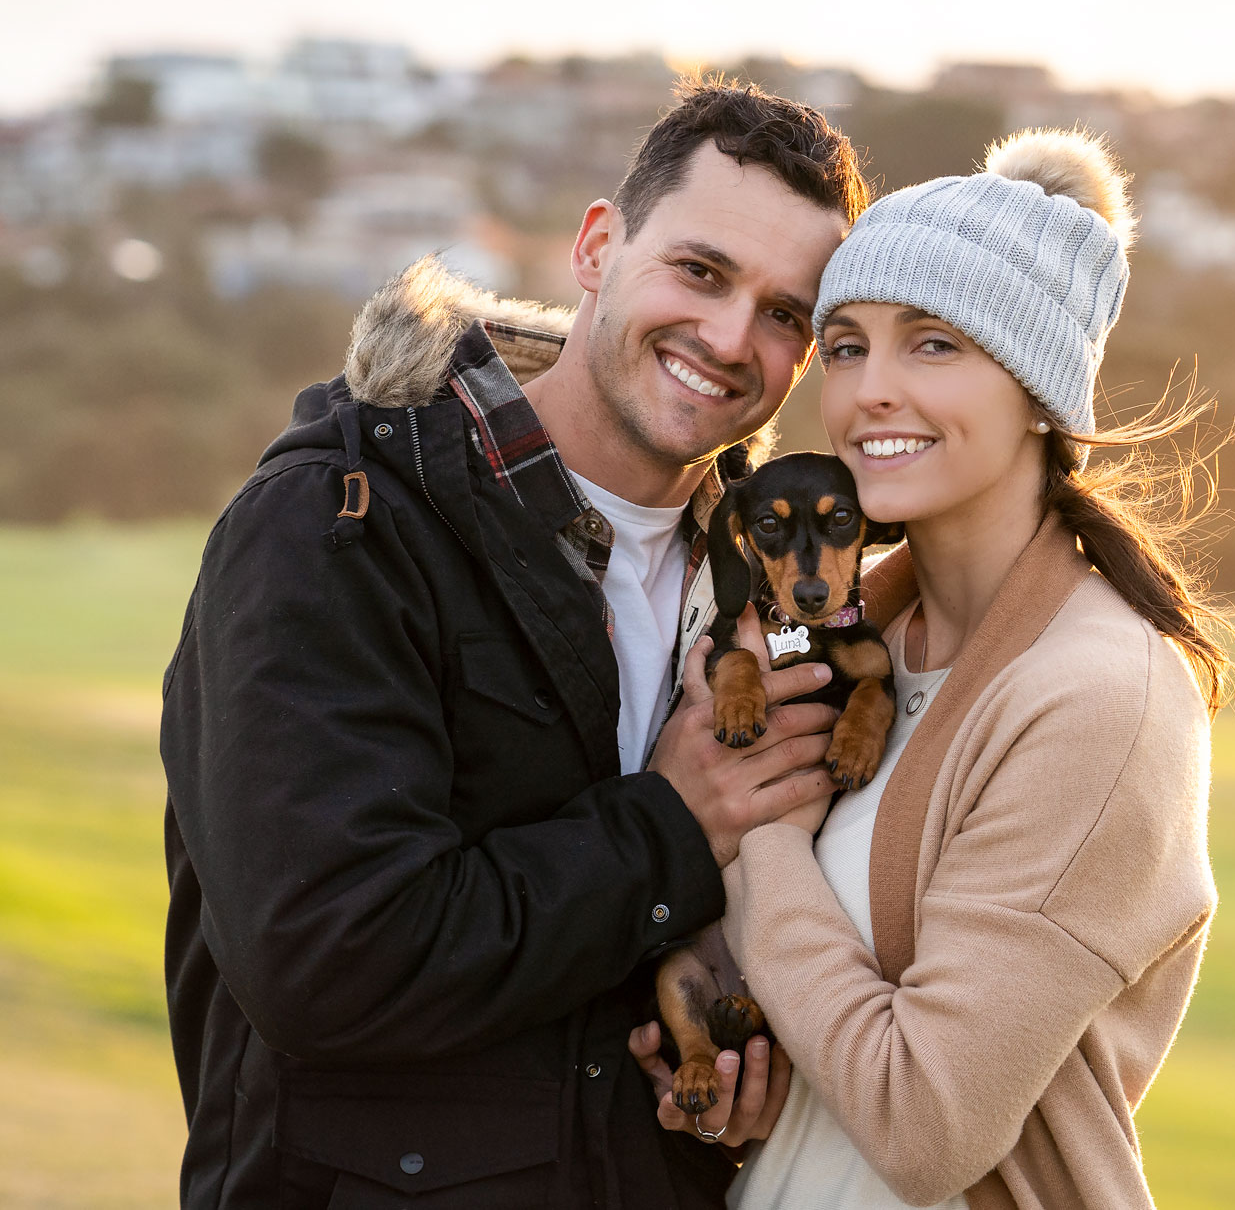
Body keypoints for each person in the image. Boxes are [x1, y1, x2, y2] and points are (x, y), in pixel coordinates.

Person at [160, 81, 863, 1209]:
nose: (731, 337)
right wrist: (669, 824)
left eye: (785, 313)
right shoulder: (342, 521)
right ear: (596, 247)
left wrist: (725, 1076)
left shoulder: (762, 584)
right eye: (699, 270)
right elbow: (327, 960)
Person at [638, 128, 1235, 1208]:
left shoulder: (1095, 696)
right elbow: (837, 1024)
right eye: (848, 344)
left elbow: (923, 1126)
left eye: (934, 345)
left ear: (1037, 389)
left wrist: (755, 823)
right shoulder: (844, 632)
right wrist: (762, 1085)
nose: (870, 391)